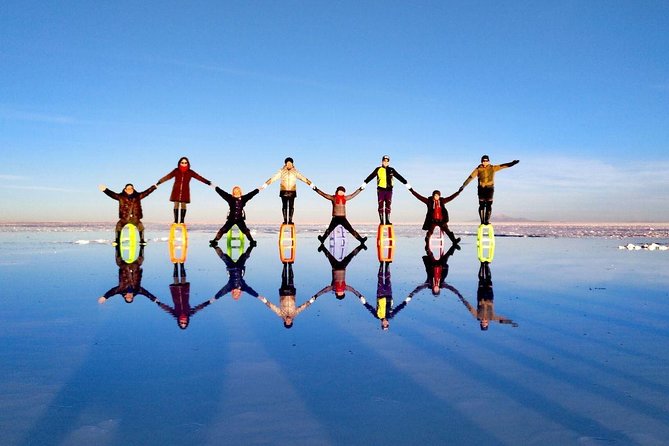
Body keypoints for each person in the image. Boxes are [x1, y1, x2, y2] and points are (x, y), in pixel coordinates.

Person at [460, 155, 519, 225]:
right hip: (481, 188)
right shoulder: (478, 169)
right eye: (483, 161)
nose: (484, 162)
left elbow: (503, 166)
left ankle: (486, 221)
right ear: (481, 161)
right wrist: (463, 185)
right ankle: (482, 221)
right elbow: (470, 177)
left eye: (486, 161)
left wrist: (512, 163)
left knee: (489, 205)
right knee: (481, 205)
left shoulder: (493, 168)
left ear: (488, 161)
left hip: (489, 188)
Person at [256, 263, 318, 329]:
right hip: (291, 294)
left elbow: (272, 307)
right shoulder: (295, 313)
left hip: (283, 293)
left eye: (287, 322)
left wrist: (265, 301)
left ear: (284, 321)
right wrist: (311, 300)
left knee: (284, 279)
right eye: (289, 322)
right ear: (292, 321)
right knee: (291, 278)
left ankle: (285, 265)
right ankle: (290, 265)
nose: (288, 320)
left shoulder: (280, 314)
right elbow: (303, 307)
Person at [156, 156, 212, 224]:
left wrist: (207, 182)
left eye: (185, 162)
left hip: (185, 191)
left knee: (183, 204)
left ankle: (182, 220)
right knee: (176, 204)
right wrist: (159, 182)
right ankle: (176, 221)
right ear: (180, 163)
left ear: (188, 163)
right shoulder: (176, 170)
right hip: (176, 190)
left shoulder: (190, 172)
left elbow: (199, 177)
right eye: (182, 162)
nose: (184, 164)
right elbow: (168, 176)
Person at [263, 157, 313, 224]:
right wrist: (266, 184)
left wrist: (311, 184)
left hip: (292, 191)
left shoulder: (295, 172)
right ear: (285, 164)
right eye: (288, 163)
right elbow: (273, 178)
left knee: (291, 206)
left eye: (290, 163)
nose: (289, 165)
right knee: (284, 206)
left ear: (292, 164)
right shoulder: (281, 171)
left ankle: (290, 220)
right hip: (284, 191)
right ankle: (285, 220)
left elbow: (303, 178)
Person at [362, 155, 408, 224]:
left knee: (388, 204)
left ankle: (387, 220)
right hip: (381, 190)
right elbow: (371, 176)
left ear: (389, 162)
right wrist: (365, 182)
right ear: (382, 161)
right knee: (380, 204)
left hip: (389, 190)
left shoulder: (391, 170)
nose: (385, 162)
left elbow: (398, 176)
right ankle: (381, 221)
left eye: (387, 161)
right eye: (384, 161)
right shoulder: (378, 169)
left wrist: (405, 182)